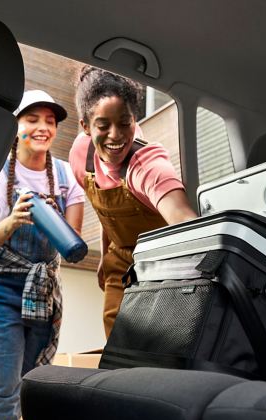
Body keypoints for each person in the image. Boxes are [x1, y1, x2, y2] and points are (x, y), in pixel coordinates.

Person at [0, 90, 84, 420]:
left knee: (32, 392)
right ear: (15, 126)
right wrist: (13, 222)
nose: (43, 127)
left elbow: (74, 244)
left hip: (43, 293)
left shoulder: (65, 177)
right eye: (32, 118)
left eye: (50, 121)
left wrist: (56, 219)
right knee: (0, 393)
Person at [68, 66, 197, 337]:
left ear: (135, 120)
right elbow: (104, 210)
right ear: (85, 126)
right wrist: (105, 256)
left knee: (162, 347)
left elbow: (185, 221)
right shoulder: (81, 155)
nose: (116, 135)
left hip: (163, 262)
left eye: (125, 123)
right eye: (103, 126)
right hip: (120, 261)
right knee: (117, 345)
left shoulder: (148, 165)